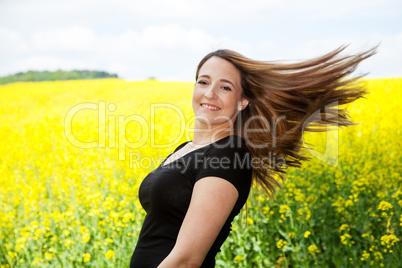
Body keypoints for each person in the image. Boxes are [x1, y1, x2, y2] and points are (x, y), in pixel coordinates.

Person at [130, 45, 376, 267]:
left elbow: (187, 259)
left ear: (241, 101)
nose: (210, 93)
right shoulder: (184, 149)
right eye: (203, 82)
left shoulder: (228, 154)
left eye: (225, 87)